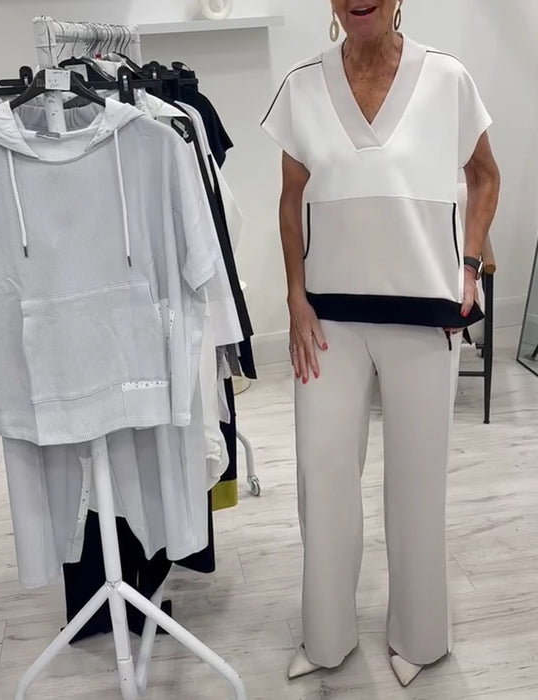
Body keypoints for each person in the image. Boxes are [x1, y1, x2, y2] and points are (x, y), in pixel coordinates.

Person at [260, 0, 500, 688]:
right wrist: (295, 297)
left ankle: (421, 639)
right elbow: (289, 199)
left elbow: (486, 175)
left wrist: (469, 265)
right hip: (327, 321)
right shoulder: (303, 84)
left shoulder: (447, 78)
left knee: (419, 482)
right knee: (323, 477)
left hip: (426, 315)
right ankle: (326, 637)